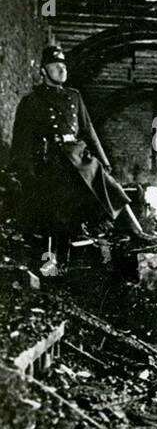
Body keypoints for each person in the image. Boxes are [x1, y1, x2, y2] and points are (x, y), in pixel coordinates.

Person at [6, 44, 144, 273]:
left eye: (63, 66)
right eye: (55, 66)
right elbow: (22, 139)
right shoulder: (32, 101)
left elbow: (89, 131)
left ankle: (136, 232)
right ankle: (51, 262)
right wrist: (24, 171)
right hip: (51, 159)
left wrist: (104, 161)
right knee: (55, 215)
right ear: (43, 71)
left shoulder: (74, 96)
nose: (62, 70)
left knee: (110, 187)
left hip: (78, 154)